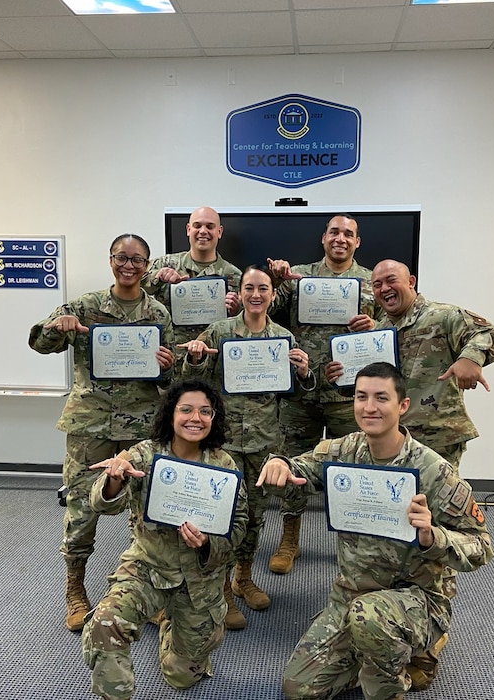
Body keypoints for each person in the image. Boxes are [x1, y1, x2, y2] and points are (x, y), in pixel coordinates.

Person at [257, 362, 494, 700]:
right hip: (352, 595)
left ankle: (408, 656)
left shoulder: (433, 471)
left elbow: (481, 546)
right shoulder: (342, 452)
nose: (369, 407)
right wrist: (279, 463)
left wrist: (433, 537)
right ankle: (375, 647)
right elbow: (299, 469)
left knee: (369, 620)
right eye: (361, 397)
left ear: (403, 406)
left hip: (416, 598)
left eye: (381, 398)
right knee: (298, 689)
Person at [29, 233, 176, 633]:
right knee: (81, 504)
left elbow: (171, 373)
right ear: (110, 260)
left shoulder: (158, 312)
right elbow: (42, 343)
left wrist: (166, 364)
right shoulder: (84, 305)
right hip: (90, 422)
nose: (129, 266)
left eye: (137, 260)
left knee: (145, 509)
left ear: (147, 265)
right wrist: (57, 326)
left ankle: (146, 590)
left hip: (142, 423)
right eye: (121, 258)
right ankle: (75, 591)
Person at [82, 378, 248, 700]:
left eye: (204, 411)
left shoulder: (224, 465)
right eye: (185, 410)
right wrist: (114, 479)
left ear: (213, 419)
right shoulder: (144, 455)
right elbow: (101, 503)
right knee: (105, 623)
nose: (194, 418)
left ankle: (169, 623)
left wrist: (208, 543)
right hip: (149, 567)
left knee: (180, 676)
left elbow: (238, 526)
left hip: (199, 581)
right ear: (171, 414)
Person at [179, 264, 314, 630]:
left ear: (272, 294)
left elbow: (298, 393)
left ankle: (243, 576)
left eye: (264, 288)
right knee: (220, 515)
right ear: (240, 293)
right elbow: (192, 380)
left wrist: (303, 372)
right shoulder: (221, 331)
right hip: (222, 442)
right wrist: (193, 355)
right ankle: (221, 588)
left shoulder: (284, 337)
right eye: (250, 288)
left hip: (263, 441)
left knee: (254, 516)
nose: (256, 295)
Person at [265, 213, 382, 576]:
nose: (341, 238)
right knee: (293, 467)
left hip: (351, 397)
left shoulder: (371, 282)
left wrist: (377, 325)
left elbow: (396, 328)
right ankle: (289, 538)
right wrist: (274, 278)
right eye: (335, 232)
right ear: (323, 237)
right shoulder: (299, 277)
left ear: (357, 242)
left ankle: (355, 545)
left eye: (349, 234)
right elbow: (260, 308)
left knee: (356, 471)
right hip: (301, 390)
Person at [327, 259, 494, 473]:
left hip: (436, 435)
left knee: (435, 500)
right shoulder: (379, 331)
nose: (384, 288)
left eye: (391, 280)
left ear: (411, 282)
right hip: (391, 435)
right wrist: (342, 379)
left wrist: (470, 358)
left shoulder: (442, 316)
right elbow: (377, 382)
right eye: (377, 284)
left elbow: (491, 335)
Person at [142, 206, 242, 358]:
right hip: (173, 359)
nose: (203, 231)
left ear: (219, 232)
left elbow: (245, 323)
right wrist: (158, 277)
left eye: (209, 226)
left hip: (215, 360)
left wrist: (236, 310)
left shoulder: (234, 275)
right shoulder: (166, 264)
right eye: (197, 226)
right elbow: (134, 287)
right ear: (188, 229)